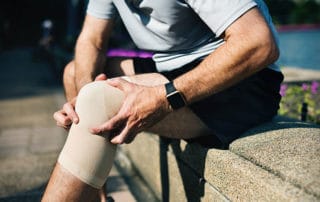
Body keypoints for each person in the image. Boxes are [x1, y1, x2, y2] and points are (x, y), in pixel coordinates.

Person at [42, 0, 283, 201]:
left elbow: (259, 42)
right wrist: (81, 100)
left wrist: (165, 97)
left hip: (239, 79)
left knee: (99, 100)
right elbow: (91, 39)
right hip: (171, 67)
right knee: (76, 74)